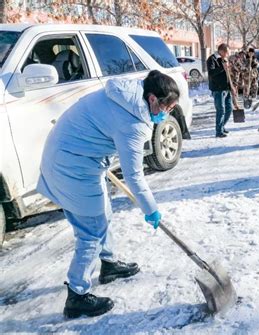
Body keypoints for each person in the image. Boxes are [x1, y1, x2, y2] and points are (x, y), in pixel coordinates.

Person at [37, 70, 180, 318]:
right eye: (167, 107)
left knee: (103, 214)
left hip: (74, 157)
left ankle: (109, 264)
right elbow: (134, 176)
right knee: (91, 230)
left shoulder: (133, 93)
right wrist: (151, 209)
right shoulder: (133, 123)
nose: (167, 113)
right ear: (153, 99)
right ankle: (78, 295)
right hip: (72, 167)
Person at [207, 43, 232, 138]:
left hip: (226, 88)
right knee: (220, 110)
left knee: (229, 109)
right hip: (218, 89)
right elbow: (211, 72)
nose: (228, 55)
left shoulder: (224, 59)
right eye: (227, 53)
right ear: (221, 51)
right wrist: (222, 67)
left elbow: (228, 74)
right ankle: (219, 131)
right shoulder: (212, 59)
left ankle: (222, 126)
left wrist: (232, 87)